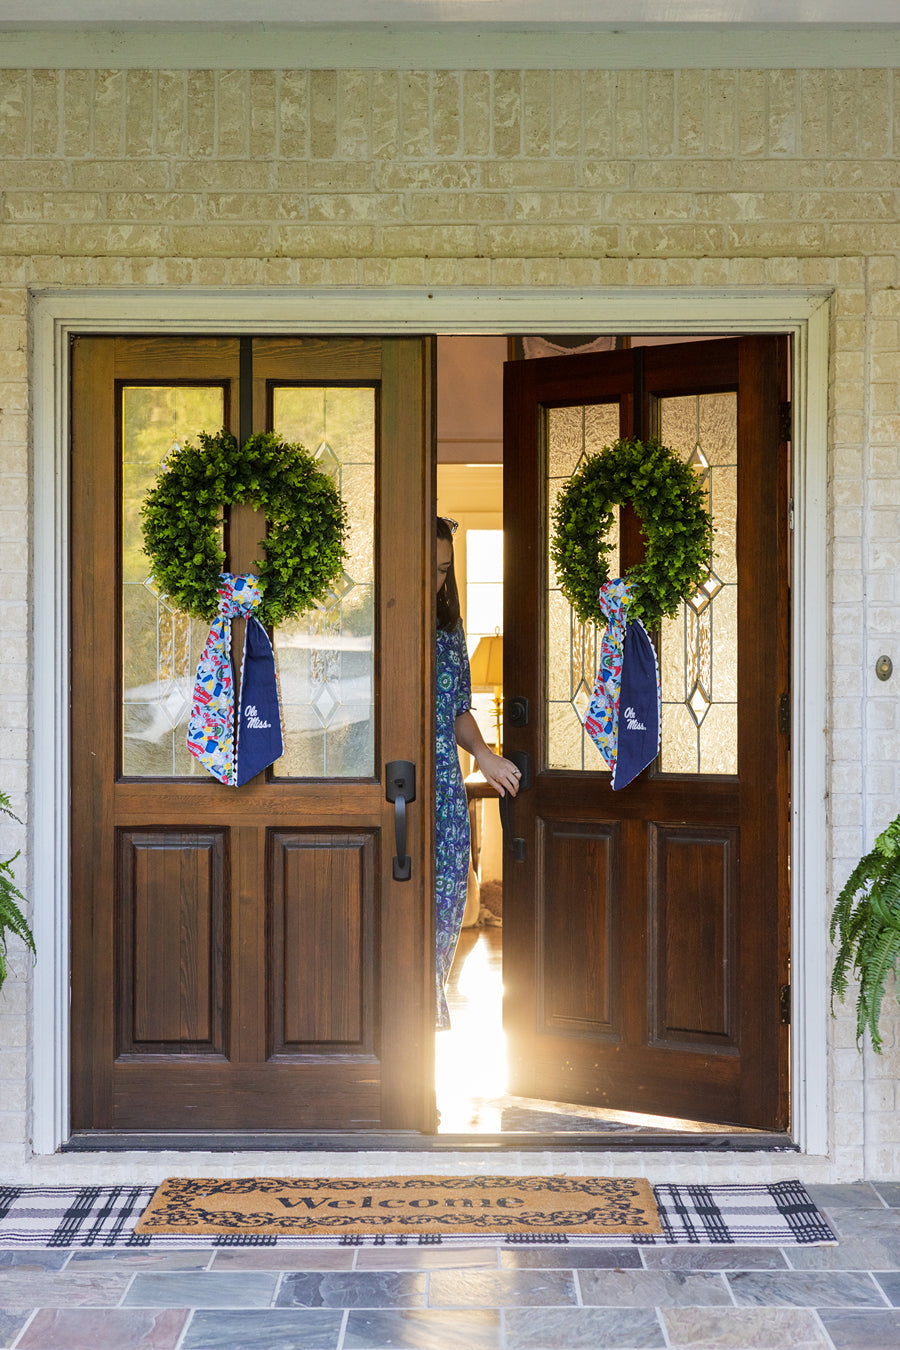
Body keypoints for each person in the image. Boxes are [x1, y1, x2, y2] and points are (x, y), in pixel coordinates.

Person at [435, 515, 521, 1029]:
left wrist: (485, 756)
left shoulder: (449, 631)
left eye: (446, 570)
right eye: (431, 567)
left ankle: (426, 1015)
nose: (439, 580)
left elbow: (458, 708)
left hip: (445, 785)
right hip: (394, 783)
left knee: (447, 903)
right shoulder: (375, 618)